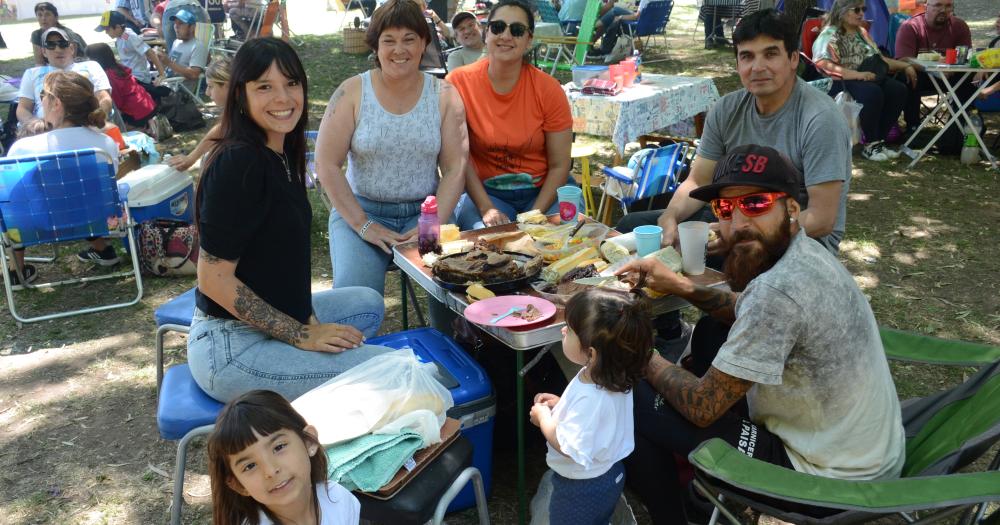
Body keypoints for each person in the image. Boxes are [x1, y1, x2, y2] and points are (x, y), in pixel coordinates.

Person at [617, 144, 906, 523]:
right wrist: (679, 286)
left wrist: (641, 353)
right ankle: (701, 492)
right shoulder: (805, 254)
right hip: (870, 454)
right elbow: (745, 309)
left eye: (755, 203)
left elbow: (703, 407)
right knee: (709, 334)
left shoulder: (778, 291)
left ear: (791, 208)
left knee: (632, 393)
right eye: (725, 209)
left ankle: (677, 517)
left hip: (831, 484)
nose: (737, 224)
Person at [190, 38, 394, 402]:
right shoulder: (238, 163)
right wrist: (302, 336)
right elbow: (213, 279)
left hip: (272, 321)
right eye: (264, 87)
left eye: (291, 83)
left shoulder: (280, 151)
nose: (283, 98)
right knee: (392, 372)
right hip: (230, 347)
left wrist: (308, 320)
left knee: (367, 302)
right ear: (241, 95)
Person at [620, 9, 850, 256]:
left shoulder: (819, 118)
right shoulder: (726, 109)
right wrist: (670, 216)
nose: (758, 67)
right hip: (736, 218)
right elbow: (699, 181)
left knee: (707, 267)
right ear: (738, 63)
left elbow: (822, 219)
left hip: (799, 238)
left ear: (793, 59)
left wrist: (737, 233)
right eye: (747, 56)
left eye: (770, 54)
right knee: (631, 227)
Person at [316, 0, 467, 294]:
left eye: (410, 39)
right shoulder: (352, 92)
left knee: (454, 295)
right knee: (355, 301)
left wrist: (434, 222)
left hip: (426, 213)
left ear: (424, 43)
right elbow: (326, 164)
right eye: (389, 41)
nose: (400, 50)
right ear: (375, 47)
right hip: (360, 211)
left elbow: (454, 167)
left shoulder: (445, 95)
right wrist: (363, 224)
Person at [448, 0, 573, 230]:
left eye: (517, 30)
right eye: (497, 27)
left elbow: (559, 165)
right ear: (486, 33)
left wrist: (535, 215)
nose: (506, 35)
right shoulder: (458, 83)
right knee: (488, 249)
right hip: (486, 193)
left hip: (545, 189)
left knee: (562, 243)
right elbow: (458, 159)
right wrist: (486, 208)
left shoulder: (549, 89)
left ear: (529, 40)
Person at [529, 288, 651, 525]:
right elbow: (596, 419)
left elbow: (567, 445)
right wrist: (560, 405)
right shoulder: (612, 376)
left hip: (580, 487)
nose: (563, 331)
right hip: (610, 472)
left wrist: (544, 418)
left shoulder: (591, 397)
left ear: (592, 353)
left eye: (571, 331)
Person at [6, 71, 121, 281]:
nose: (41, 100)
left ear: (56, 103)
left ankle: (16, 269)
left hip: (38, 224)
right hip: (92, 218)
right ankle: (103, 249)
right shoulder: (104, 144)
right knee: (79, 194)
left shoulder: (24, 148)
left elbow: (15, 198)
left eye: (43, 95)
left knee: (12, 203)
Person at [207, 390, 361, 525]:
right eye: (250, 466)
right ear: (239, 485)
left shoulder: (340, 501)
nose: (271, 470)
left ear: (309, 442)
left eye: (279, 447)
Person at [812, 0, 914, 161]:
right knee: (872, 93)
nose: (862, 13)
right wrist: (856, 75)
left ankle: (878, 142)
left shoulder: (861, 33)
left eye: (863, 9)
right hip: (840, 79)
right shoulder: (830, 34)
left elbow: (879, 60)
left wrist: (905, 66)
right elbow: (822, 63)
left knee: (898, 90)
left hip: (866, 76)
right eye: (856, 9)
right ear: (842, 12)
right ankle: (871, 143)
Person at [894, 0, 973, 145]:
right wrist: (933, 69)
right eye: (938, 5)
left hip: (951, 74)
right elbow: (903, 58)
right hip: (921, 75)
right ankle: (913, 127)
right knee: (906, 75)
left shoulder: (959, 26)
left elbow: (966, 56)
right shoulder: (910, 26)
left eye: (948, 6)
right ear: (926, 6)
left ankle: (959, 126)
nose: (943, 10)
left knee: (968, 78)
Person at [17, 28, 113, 127]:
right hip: (46, 130)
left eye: (63, 44)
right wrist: (37, 125)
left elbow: (104, 98)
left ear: (72, 48)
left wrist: (96, 118)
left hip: (87, 125)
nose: (58, 49)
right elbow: (23, 108)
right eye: (51, 45)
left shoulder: (91, 66)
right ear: (44, 51)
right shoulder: (32, 74)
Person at [166, 57, 232, 171]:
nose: (207, 92)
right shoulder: (236, 109)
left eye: (211, 86)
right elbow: (220, 129)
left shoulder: (246, 115)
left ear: (227, 86)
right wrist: (191, 158)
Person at [85, 43, 160, 133]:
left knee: (109, 125)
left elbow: (117, 103)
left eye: (89, 58)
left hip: (138, 113)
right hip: (148, 106)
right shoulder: (118, 67)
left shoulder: (108, 76)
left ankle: (142, 128)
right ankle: (146, 126)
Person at [95, 10, 167, 86]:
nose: (106, 33)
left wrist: (162, 74)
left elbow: (150, 52)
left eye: (107, 29)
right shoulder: (120, 37)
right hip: (130, 75)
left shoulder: (130, 37)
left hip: (139, 78)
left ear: (118, 27)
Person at [157, 8, 209, 85]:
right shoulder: (176, 42)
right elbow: (170, 68)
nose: (176, 27)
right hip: (167, 82)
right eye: (175, 23)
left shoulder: (198, 46)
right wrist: (159, 60)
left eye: (181, 23)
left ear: (192, 27)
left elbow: (194, 74)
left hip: (179, 90)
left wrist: (169, 62)